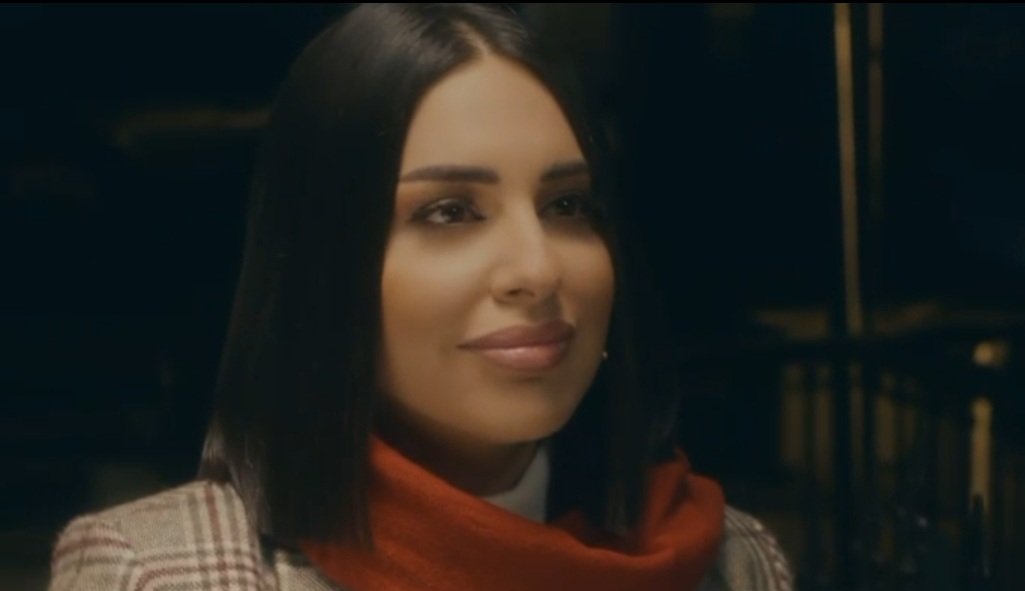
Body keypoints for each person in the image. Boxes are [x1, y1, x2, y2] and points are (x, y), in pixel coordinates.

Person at [48, 4, 792, 590]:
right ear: (323, 268)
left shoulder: (729, 561)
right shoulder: (165, 574)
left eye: (567, 205)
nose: (537, 269)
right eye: (449, 212)